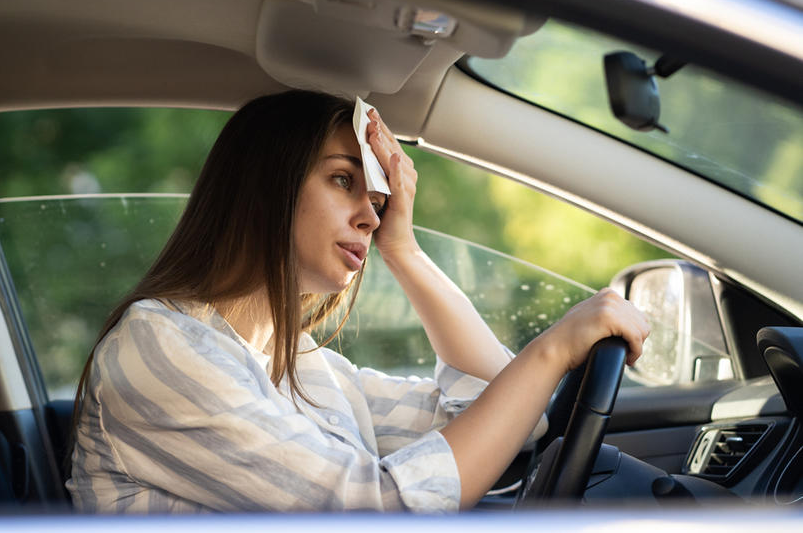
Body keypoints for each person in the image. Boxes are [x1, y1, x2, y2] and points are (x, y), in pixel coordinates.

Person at [66, 90, 650, 513]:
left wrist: (405, 252)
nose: (372, 216)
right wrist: (553, 350)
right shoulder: (158, 346)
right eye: (344, 181)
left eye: (379, 200)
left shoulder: (301, 364)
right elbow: (377, 512)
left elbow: (504, 416)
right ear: (267, 186)